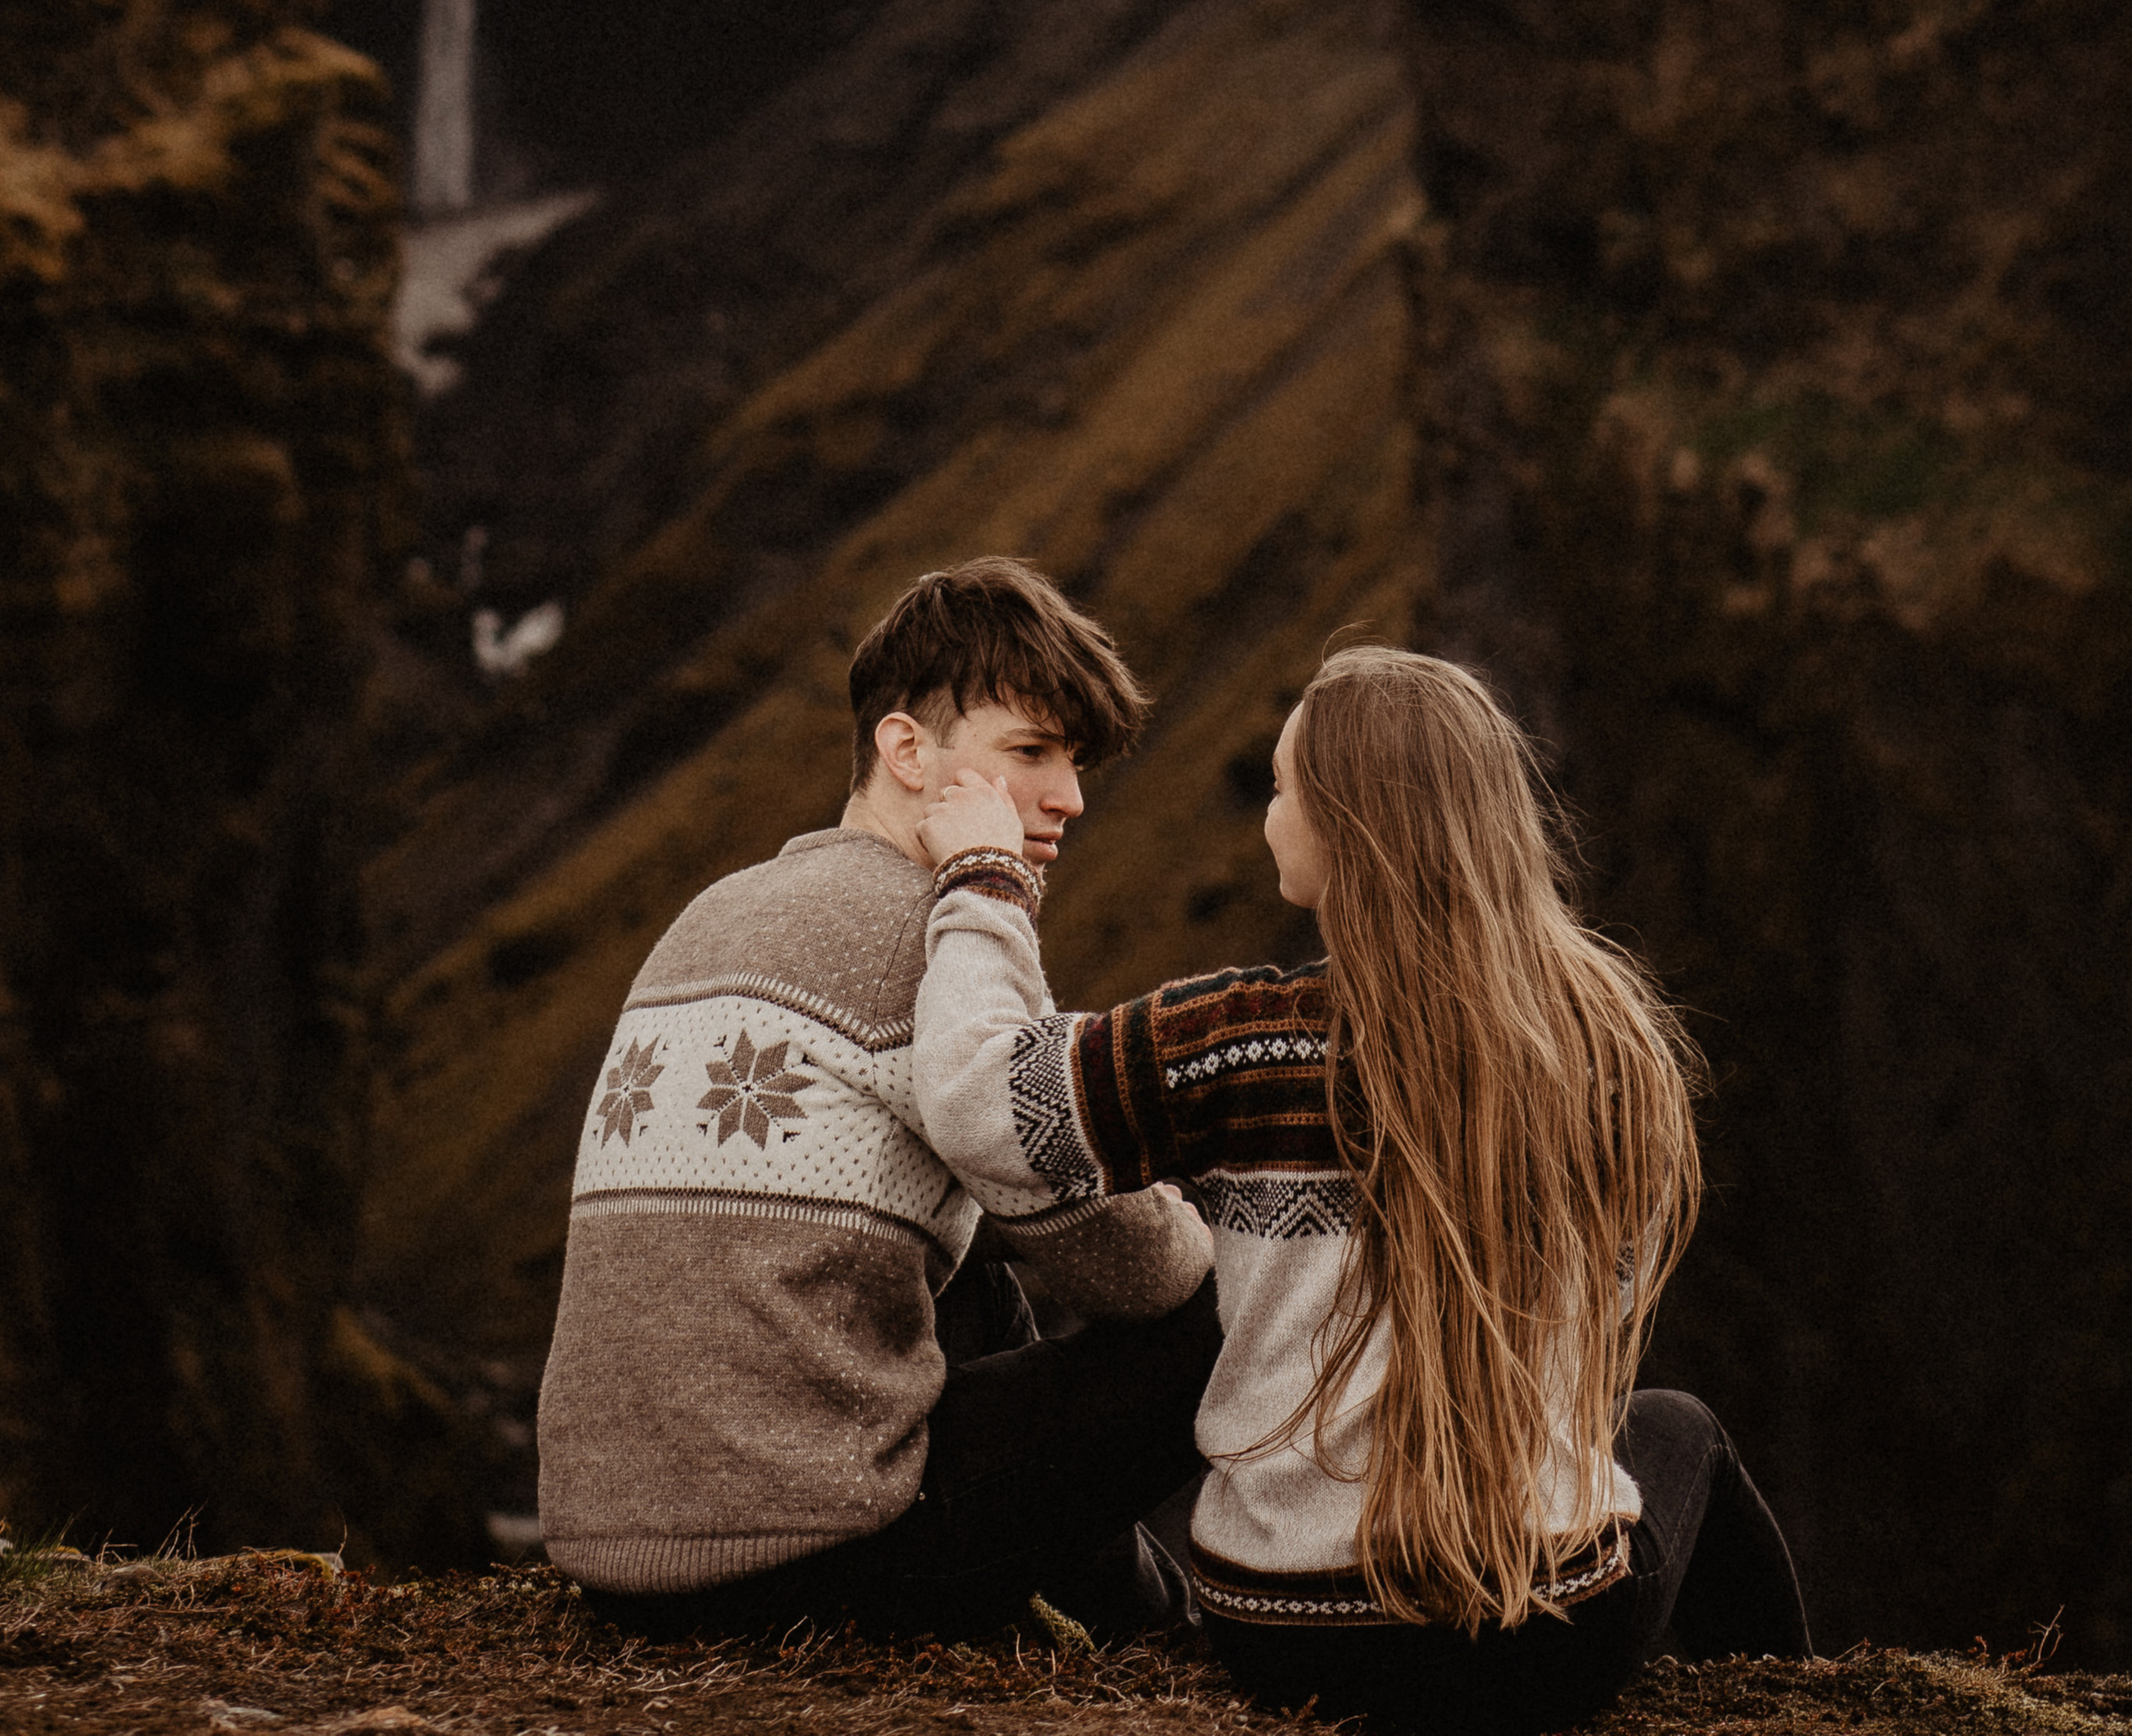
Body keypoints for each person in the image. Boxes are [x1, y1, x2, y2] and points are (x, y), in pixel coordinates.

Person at [914, 644, 1811, 1732]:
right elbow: (1610, 1309)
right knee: (1679, 1428)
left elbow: (978, 1103)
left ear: (1346, 823)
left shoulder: (1241, 1046)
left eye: (1286, 788)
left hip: (1288, 1636)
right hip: (1549, 1641)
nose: (1268, 813)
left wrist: (983, 879)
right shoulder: (1610, 1046)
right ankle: (1802, 1705)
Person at [536, 556, 1218, 1639]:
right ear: (907, 750)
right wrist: (1207, 1216)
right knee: (1230, 1308)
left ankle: (1146, 1628)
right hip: (801, 1567)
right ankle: (1174, 1635)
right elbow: (1134, 1266)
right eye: (1032, 754)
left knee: (975, 1275)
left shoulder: (723, 905)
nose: (1071, 798)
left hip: (621, 1557)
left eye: (1076, 761)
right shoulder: (924, 937)